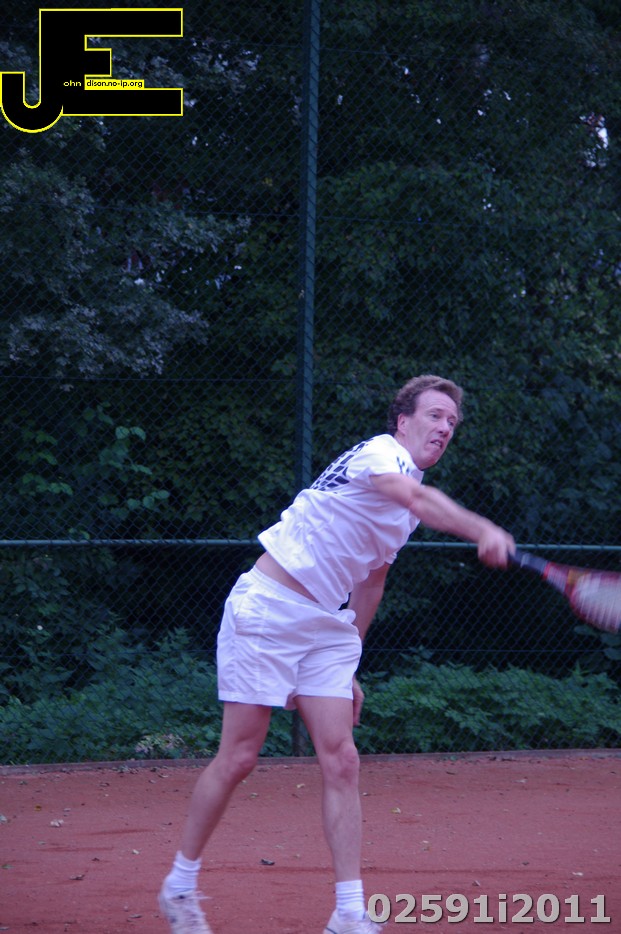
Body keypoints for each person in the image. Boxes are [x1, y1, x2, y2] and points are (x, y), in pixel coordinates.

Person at [158, 374, 515, 934]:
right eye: (435, 415)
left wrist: (350, 665)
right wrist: (481, 529)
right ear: (403, 421)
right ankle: (179, 886)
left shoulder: (408, 504)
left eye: (452, 421)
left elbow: (371, 582)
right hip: (270, 607)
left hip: (327, 626)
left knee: (342, 759)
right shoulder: (380, 454)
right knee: (241, 756)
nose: (445, 427)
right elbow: (417, 498)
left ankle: (349, 912)